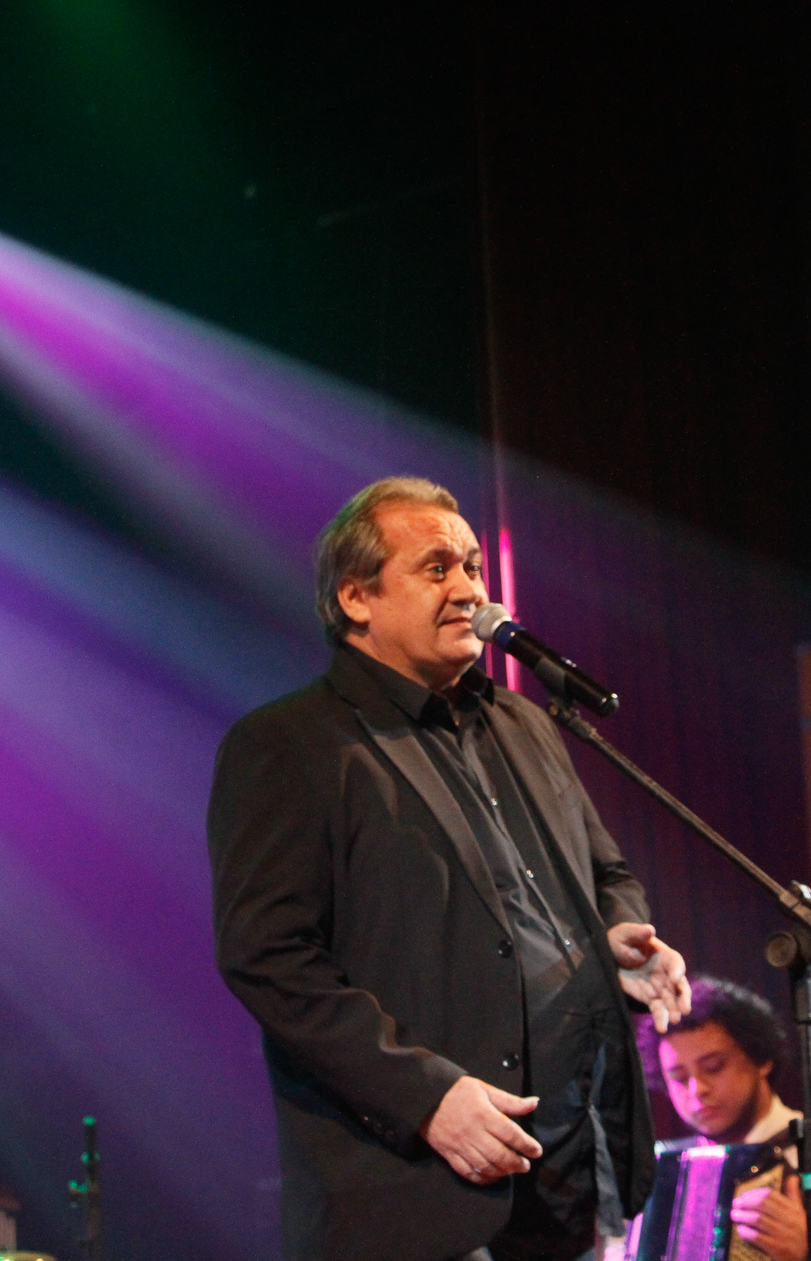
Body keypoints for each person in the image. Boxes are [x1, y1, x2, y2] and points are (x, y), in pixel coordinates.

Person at [209, 477, 691, 1261]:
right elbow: (268, 958)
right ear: (356, 597)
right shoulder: (292, 743)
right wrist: (427, 1095)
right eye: (437, 568)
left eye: (472, 567)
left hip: (568, 1175)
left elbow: (606, 874)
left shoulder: (524, 723)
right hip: (419, 1188)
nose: (469, 589)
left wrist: (616, 936)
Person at [634, 976, 811, 1261]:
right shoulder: (661, 1173)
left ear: (762, 1060)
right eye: (679, 1078)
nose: (697, 1090)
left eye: (714, 1067)